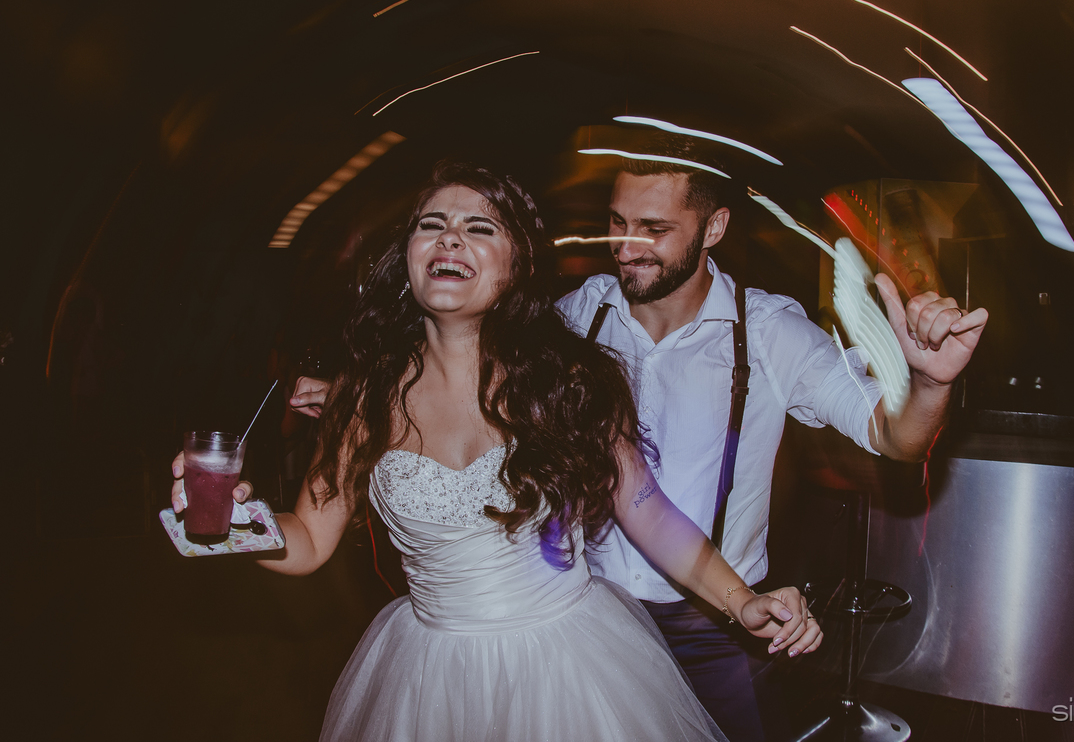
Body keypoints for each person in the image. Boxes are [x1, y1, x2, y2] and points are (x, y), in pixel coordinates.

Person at [172, 161, 822, 742]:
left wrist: (742, 602)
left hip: (570, 672)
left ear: (517, 265)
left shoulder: (573, 382)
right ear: (409, 254)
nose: (451, 237)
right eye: (433, 224)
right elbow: (309, 541)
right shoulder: (365, 396)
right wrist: (229, 529)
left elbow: (647, 511)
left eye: (479, 228)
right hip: (427, 682)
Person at [551, 137, 988, 742]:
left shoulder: (771, 333)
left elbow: (892, 436)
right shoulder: (579, 316)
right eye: (618, 223)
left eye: (654, 228)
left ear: (714, 228)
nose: (626, 247)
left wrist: (928, 384)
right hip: (589, 613)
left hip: (719, 625)